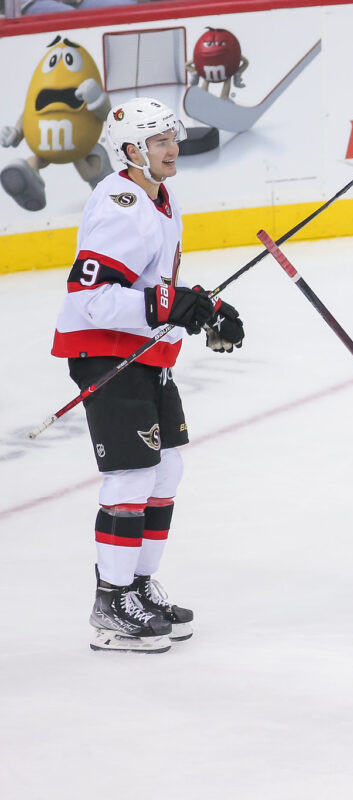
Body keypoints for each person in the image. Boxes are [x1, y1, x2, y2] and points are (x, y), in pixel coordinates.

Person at [51, 97, 246, 653]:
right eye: (160, 141)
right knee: (133, 477)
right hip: (105, 354)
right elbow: (90, 297)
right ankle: (111, 602)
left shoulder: (159, 196)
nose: (173, 148)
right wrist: (168, 306)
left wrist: (203, 307)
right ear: (131, 150)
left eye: (172, 138)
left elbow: (153, 286)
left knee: (164, 470)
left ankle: (137, 585)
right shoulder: (120, 202)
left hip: (141, 353)